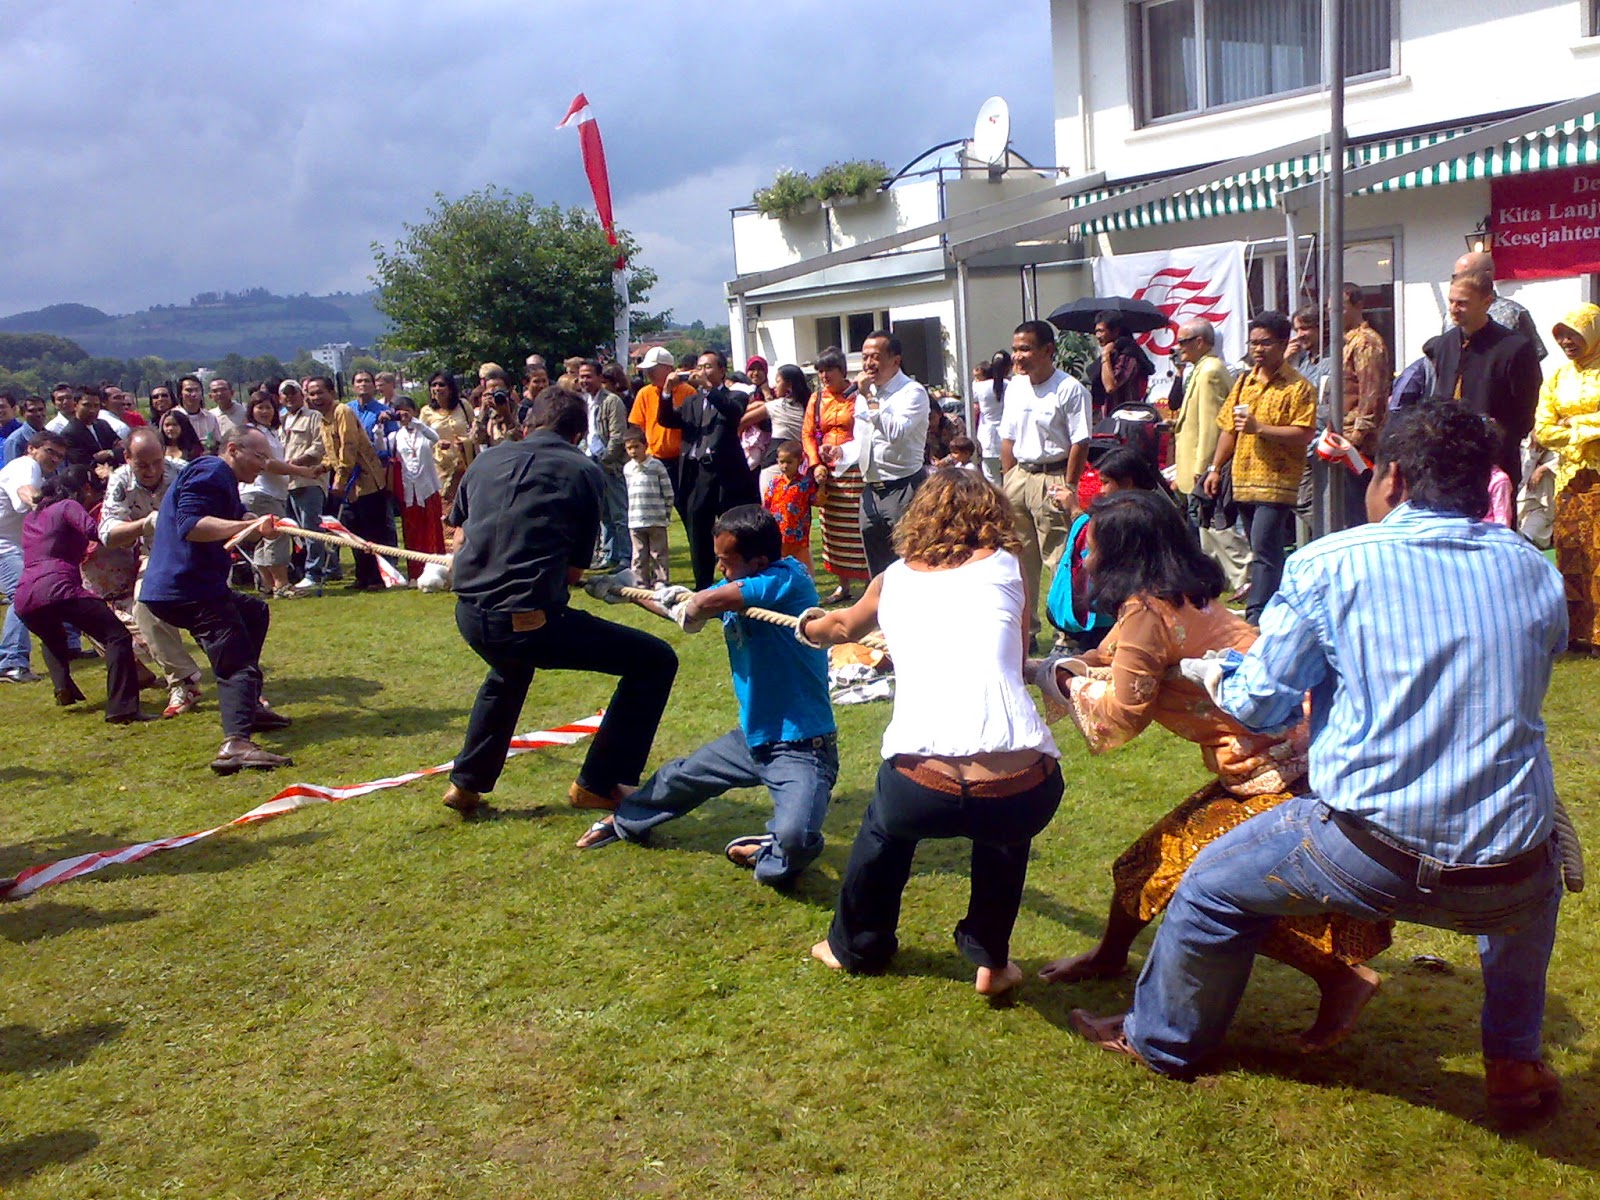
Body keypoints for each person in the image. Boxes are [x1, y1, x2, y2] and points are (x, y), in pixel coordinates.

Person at [1071, 402, 1568, 1129]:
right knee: (1527, 903)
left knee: (1207, 885)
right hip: (1512, 859)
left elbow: (1262, 704)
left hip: (1368, 848)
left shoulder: (1330, 563)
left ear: (1393, 479)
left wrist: (1213, 672)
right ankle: (1513, 1062)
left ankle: (1161, 1041)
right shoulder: (1533, 568)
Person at [1032, 489, 1390, 1050]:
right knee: (1143, 865)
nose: (1087, 560)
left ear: (1123, 554)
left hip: (1278, 773)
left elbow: (1123, 715)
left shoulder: (1149, 612)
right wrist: (1045, 665)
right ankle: (1108, 957)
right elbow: (1112, 657)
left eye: (1092, 548)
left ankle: (1343, 979)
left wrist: (1059, 680)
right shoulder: (1176, 597)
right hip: (1285, 758)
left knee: (1209, 888)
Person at [800, 469, 1063, 997]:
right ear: (992, 516)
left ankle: (855, 945)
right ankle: (990, 959)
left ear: (918, 518)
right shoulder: (1009, 567)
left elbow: (839, 628)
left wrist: (807, 624)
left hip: (921, 789)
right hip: (1022, 789)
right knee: (1005, 835)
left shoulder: (892, 579)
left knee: (883, 829)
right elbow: (1016, 659)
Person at [441, 386, 678, 819]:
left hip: (469, 614)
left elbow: (457, 538)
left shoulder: (486, 459)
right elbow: (572, 572)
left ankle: (467, 783)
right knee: (655, 661)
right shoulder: (582, 470)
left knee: (510, 667)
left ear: (527, 423)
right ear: (578, 434)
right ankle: (598, 785)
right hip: (525, 620)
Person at [576, 505, 839, 885]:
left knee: (796, 839)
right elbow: (687, 609)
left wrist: (689, 601)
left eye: (725, 561)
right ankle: (624, 821)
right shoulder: (736, 588)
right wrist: (628, 592)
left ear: (758, 562)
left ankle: (771, 851)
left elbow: (698, 605)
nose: (719, 568)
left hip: (802, 747)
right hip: (753, 737)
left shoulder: (787, 578)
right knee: (679, 778)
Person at [141, 427, 293, 773]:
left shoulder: (223, 479)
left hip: (190, 587)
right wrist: (245, 527)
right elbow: (192, 525)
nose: (264, 465)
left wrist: (254, 522)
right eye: (260, 457)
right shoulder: (210, 470)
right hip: (188, 589)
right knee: (235, 660)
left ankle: (248, 707)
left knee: (253, 612)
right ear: (234, 449)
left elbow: (236, 518)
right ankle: (235, 744)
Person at [15, 465, 152, 721]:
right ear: (84, 489)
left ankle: (63, 686)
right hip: (59, 587)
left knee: (52, 636)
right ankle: (122, 709)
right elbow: (98, 533)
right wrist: (141, 526)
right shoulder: (68, 506)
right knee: (116, 636)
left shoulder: (33, 516)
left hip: (24, 595)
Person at [1203, 312, 1315, 623]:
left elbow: (1304, 432)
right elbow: (1229, 429)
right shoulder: (1244, 383)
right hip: (1243, 479)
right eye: (1253, 343)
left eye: (1265, 343)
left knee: (1265, 548)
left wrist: (1261, 428)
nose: (1258, 349)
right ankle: (1278, 606)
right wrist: (1215, 468)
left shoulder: (1298, 387)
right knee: (1260, 548)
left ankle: (1257, 614)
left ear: (1283, 343)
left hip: (1276, 481)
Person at [98, 428, 206, 718]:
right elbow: (107, 532)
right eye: (142, 465)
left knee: (214, 613)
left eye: (157, 462)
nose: (151, 471)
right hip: (156, 555)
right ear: (127, 457)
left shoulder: (183, 472)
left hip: (199, 552)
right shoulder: (121, 480)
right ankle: (183, 681)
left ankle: (244, 682)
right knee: (145, 607)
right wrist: (145, 524)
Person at [1000, 319, 1092, 651]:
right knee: (1018, 559)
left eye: (1025, 349)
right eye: (1015, 349)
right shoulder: (1015, 387)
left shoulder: (1069, 389)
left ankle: (1065, 634)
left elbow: (1080, 441)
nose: (1017, 356)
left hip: (1054, 476)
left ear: (1047, 350)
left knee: (1058, 558)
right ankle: (1025, 632)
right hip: (1020, 477)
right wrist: (1008, 478)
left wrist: (1069, 485)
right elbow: (1007, 437)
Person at [1431, 268, 1542, 490]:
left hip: (1494, 462)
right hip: (1447, 462)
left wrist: (1495, 438)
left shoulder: (1514, 347)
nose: (1453, 309)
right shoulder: (1444, 344)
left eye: (1462, 303)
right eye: (1451, 301)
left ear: (1486, 302)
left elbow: (1527, 409)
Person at [658, 350, 758, 590]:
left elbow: (733, 413)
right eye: (699, 367)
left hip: (725, 475)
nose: (702, 371)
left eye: (708, 367)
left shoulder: (735, 396)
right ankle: (702, 585)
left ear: (722, 371)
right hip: (697, 473)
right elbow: (667, 420)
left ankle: (741, 579)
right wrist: (667, 391)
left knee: (734, 528)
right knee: (698, 530)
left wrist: (708, 388)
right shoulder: (691, 402)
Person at [1533, 302, 1600, 652]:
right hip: (1571, 480)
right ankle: (1576, 632)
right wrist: (1589, 431)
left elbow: (1559, 427)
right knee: (1573, 554)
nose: (1566, 342)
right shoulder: (1558, 377)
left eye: (1573, 335)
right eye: (1561, 336)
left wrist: (1574, 423)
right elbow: (1544, 430)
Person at [1169, 321, 1248, 584]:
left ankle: (1245, 576)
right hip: (1200, 466)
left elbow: (1213, 425)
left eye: (1183, 342)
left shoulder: (1210, 371)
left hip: (1204, 467)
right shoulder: (1202, 369)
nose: (1178, 347)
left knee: (1216, 526)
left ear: (1199, 342)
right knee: (1205, 526)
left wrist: (1205, 468)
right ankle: (1217, 579)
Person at [849, 331, 930, 577]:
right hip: (871, 489)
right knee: (877, 567)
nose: (868, 364)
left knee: (909, 559)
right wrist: (839, 452)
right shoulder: (865, 394)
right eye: (865, 357)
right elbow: (863, 440)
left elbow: (896, 433)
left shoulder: (912, 392)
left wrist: (870, 398)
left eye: (875, 357)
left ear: (895, 360)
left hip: (904, 487)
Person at [309, 375, 390, 591]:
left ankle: (377, 578)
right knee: (353, 532)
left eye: (320, 393)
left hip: (365, 481)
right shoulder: (323, 418)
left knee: (371, 531)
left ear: (332, 393)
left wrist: (340, 479)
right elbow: (332, 452)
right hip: (350, 488)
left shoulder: (341, 412)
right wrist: (322, 467)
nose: (316, 398)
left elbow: (348, 447)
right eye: (312, 394)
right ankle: (362, 576)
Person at [0, 432, 68, 683]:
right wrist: (38, 504)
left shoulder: (39, 473)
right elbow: (24, 492)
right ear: (31, 448)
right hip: (3, 547)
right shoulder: (26, 465)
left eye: (60, 456)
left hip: (14, 547)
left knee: (36, 593)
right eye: (50, 451)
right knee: (25, 594)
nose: (55, 459)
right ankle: (11, 661)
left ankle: (68, 645)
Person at [804, 347, 869, 604]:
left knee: (858, 528)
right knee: (832, 530)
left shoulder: (857, 395)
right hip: (827, 473)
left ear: (842, 370)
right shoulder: (817, 399)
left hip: (855, 468)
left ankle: (869, 584)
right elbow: (808, 434)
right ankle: (843, 585)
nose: (824, 375)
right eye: (820, 371)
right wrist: (815, 464)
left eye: (829, 370)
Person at [240, 392, 306, 597]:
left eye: (268, 407)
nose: (265, 411)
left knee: (265, 539)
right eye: (259, 407)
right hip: (261, 493)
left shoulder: (271, 432)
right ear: (251, 410)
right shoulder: (253, 434)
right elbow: (268, 464)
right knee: (278, 535)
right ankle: (281, 585)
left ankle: (267, 585)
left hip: (273, 493)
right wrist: (302, 471)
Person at [1442, 251, 1547, 361]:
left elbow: (1533, 356)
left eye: (1467, 276)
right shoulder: (1450, 316)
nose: (1459, 281)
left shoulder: (1513, 313)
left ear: (1488, 275)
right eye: (1456, 277)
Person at [576, 359, 630, 571]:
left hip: (610, 465)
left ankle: (626, 557)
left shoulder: (612, 402)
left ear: (599, 377)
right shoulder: (583, 402)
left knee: (619, 513)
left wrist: (606, 458)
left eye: (588, 376)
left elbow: (618, 436)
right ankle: (610, 554)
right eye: (581, 377)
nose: (584, 381)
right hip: (589, 461)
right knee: (603, 514)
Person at [278, 380, 331, 595]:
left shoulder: (314, 417)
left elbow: (319, 446)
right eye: (285, 394)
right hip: (286, 483)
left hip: (309, 481)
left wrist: (296, 464)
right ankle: (328, 567)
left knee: (312, 529)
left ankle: (314, 573)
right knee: (296, 531)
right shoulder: (282, 420)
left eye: (294, 393)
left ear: (302, 395)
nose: (289, 397)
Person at [386, 397, 444, 580]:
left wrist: (415, 422)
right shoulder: (395, 436)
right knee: (412, 532)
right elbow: (382, 447)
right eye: (399, 411)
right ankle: (415, 573)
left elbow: (435, 438)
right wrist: (380, 426)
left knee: (432, 530)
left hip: (427, 488)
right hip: (408, 490)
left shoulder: (424, 432)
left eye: (407, 410)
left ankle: (438, 571)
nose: (403, 414)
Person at [629, 347, 691, 508]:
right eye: (647, 370)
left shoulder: (687, 392)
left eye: (653, 369)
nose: (648, 373)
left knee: (685, 505)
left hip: (681, 461)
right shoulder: (645, 393)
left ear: (668, 369)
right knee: (654, 509)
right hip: (654, 459)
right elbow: (637, 426)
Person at [622, 425, 674, 589]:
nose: (633, 451)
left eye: (636, 447)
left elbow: (668, 492)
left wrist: (665, 513)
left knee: (658, 553)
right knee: (638, 554)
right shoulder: (627, 468)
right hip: (636, 519)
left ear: (645, 445)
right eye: (629, 448)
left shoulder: (656, 466)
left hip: (656, 518)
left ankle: (661, 581)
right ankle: (640, 582)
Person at [422, 371, 475, 515]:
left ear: (450, 388)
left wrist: (466, 442)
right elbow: (422, 439)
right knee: (447, 508)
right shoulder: (426, 411)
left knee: (469, 504)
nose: (437, 388)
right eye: (434, 385)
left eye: (441, 385)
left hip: (465, 463)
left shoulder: (463, 405)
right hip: (441, 467)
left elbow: (475, 430)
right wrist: (437, 443)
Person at [763, 439, 818, 572]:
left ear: (799, 461)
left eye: (789, 462)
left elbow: (817, 501)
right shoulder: (774, 483)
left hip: (799, 536)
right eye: (782, 462)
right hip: (778, 534)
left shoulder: (805, 483)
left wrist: (821, 486)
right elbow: (767, 506)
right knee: (778, 566)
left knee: (803, 568)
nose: (785, 466)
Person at [1089, 313, 1152, 419]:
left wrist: (1105, 355)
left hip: (1126, 418)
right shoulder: (1113, 354)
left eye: (1101, 331)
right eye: (1096, 332)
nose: (1098, 336)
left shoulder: (1128, 355)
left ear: (1115, 331)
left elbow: (1110, 387)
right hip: (1108, 418)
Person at [972, 351, 1011, 485]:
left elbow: (969, 398)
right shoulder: (1010, 385)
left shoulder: (979, 387)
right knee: (1011, 478)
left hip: (987, 437)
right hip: (1008, 437)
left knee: (992, 480)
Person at [60, 386, 121, 471]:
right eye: (87, 405)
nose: (92, 410)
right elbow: (83, 463)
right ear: (75, 405)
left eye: (96, 406)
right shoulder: (69, 433)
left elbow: (122, 448)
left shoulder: (102, 425)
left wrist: (110, 453)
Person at [176, 375, 220, 452]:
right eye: (189, 390)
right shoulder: (173, 417)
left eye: (197, 390)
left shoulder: (210, 417)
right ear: (180, 394)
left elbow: (218, 442)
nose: (194, 394)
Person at [4, 396, 51, 464]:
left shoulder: (50, 437)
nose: (38, 414)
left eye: (41, 409)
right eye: (31, 411)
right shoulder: (15, 440)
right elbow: (13, 468)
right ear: (22, 413)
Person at [207, 379, 248, 447]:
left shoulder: (245, 412)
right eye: (215, 391)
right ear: (210, 396)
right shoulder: (209, 416)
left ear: (232, 392)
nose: (219, 393)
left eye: (223, 390)